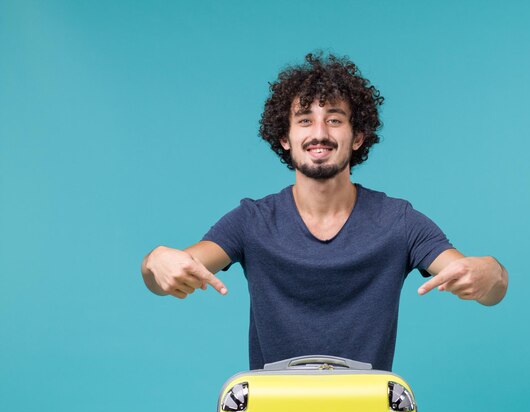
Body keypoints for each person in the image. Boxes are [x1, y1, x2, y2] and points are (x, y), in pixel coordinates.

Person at [141, 52, 508, 372]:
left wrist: (491, 273)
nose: (319, 133)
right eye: (304, 120)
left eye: (334, 119)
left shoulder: (398, 222)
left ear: (357, 136)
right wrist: (156, 261)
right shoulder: (252, 221)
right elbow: (171, 271)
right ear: (285, 138)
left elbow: (479, 281)